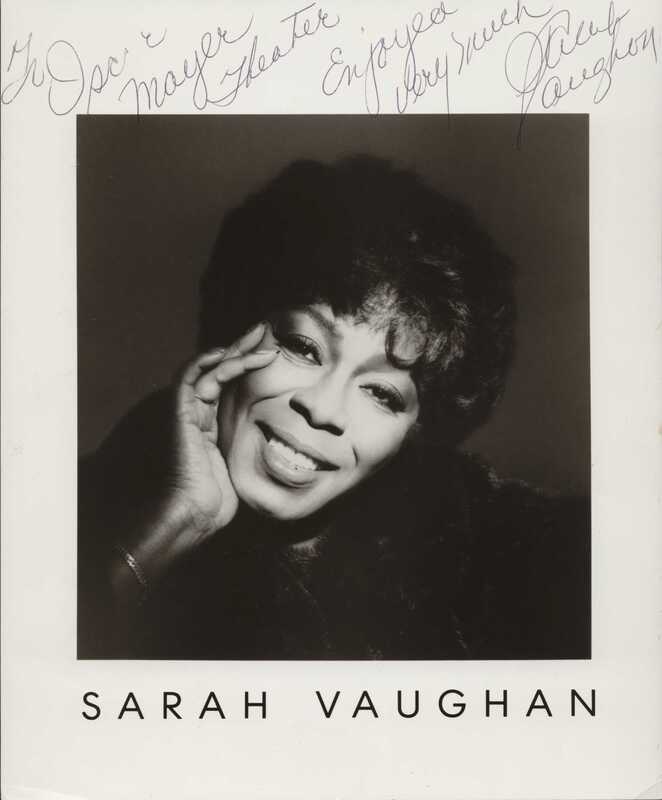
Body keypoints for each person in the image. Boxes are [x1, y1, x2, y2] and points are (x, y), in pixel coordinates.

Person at [78, 156, 590, 660]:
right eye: (304, 348)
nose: (323, 409)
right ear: (235, 332)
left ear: (415, 432)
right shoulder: (72, 515)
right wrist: (177, 523)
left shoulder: (533, 569)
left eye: (382, 394)